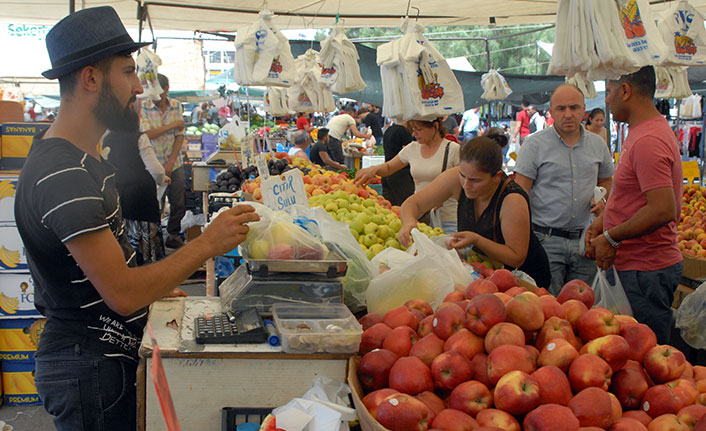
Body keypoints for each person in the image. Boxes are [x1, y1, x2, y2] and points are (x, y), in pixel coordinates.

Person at [13, 7, 259, 430]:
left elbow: (114, 271)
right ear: (90, 79)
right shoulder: (63, 175)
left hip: (104, 358)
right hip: (88, 368)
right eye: (128, 72)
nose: (140, 88)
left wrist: (160, 285)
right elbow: (123, 294)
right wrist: (205, 244)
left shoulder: (81, 159)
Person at [586, 66, 683, 345]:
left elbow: (663, 209)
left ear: (625, 91)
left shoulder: (648, 140)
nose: (606, 100)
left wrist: (612, 237)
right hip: (638, 269)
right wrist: (604, 219)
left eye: (609, 92)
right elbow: (635, 195)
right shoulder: (641, 133)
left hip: (645, 271)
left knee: (644, 357)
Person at [398, 136, 551, 288]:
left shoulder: (512, 200)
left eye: (475, 180)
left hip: (524, 281)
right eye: (462, 176)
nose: (466, 185)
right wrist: (409, 222)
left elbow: (516, 257)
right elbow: (412, 203)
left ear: (497, 177)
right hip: (487, 274)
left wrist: (477, 240)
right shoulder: (457, 179)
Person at [514, 84, 614, 295]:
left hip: (587, 239)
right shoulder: (534, 145)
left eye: (574, 107)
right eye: (561, 109)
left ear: (584, 109)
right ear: (550, 111)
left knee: (583, 311)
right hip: (546, 241)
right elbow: (519, 195)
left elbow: (607, 181)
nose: (568, 114)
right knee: (549, 310)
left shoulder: (598, 144)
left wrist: (603, 200)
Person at [355, 118, 460, 233]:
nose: (414, 134)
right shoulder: (412, 148)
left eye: (419, 129)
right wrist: (374, 169)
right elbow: (389, 167)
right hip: (420, 218)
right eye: (413, 129)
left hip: (448, 220)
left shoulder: (453, 150)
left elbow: (465, 183)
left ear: (435, 126)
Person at [103, 101, 170, 265]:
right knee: (148, 248)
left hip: (118, 196)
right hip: (142, 197)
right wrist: (163, 179)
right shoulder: (140, 138)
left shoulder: (107, 138)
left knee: (124, 240)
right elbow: (156, 170)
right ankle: (151, 279)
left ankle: (129, 271)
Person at [140, 73, 187, 249]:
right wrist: (173, 125)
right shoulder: (144, 107)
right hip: (151, 165)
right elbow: (147, 134)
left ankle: (173, 235)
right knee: (154, 204)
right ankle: (154, 238)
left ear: (166, 89)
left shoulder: (176, 106)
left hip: (174, 163)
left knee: (179, 202)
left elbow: (180, 136)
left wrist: (170, 163)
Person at [381, 121, 415, 206]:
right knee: (404, 206)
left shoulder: (389, 130)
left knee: (389, 207)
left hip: (386, 173)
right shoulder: (404, 132)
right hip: (401, 175)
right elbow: (411, 151)